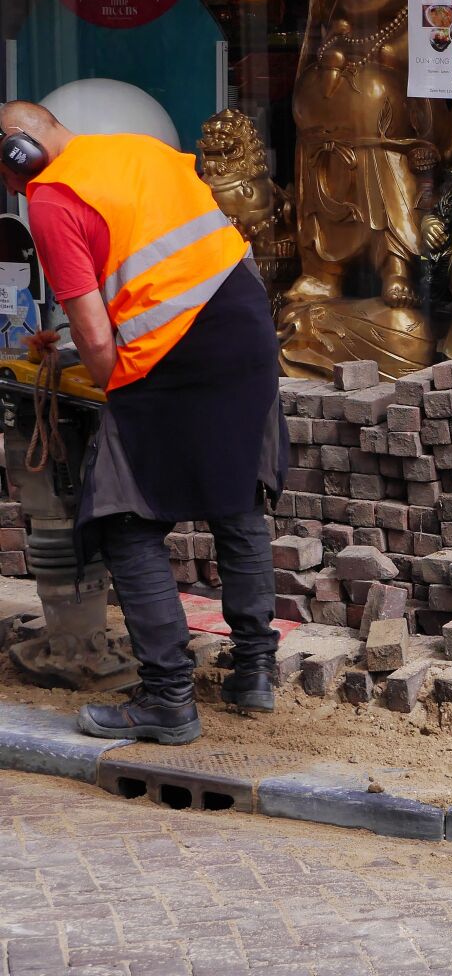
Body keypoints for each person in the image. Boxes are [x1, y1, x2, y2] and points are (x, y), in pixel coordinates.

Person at [0, 101, 286, 745]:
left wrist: (111, 389)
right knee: (237, 497)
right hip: (244, 325)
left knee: (124, 518)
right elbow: (167, 270)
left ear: (21, 151)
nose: (12, 188)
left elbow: (98, 336)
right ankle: (254, 672)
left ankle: (167, 699)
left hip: (175, 354)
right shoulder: (138, 148)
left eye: (8, 174)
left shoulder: (50, 198)